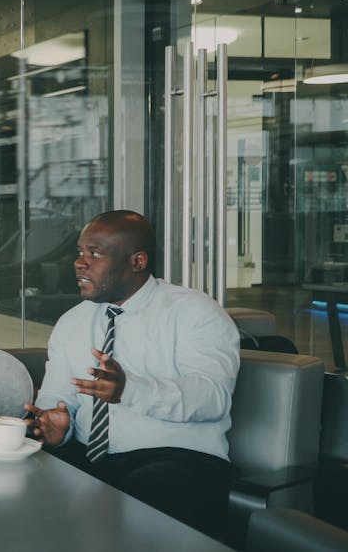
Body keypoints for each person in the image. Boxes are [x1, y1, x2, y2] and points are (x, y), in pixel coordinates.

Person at [24, 210, 240, 539]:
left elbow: (212, 398)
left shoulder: (195, 312)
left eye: (95, 253)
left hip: (178, 460)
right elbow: (58, 397)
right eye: (80, 252)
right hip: (89, 456)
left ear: (137, 261)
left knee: (122, 514)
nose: (80, 263)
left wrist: (128, 390)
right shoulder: (73, 321)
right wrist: (55, 423)